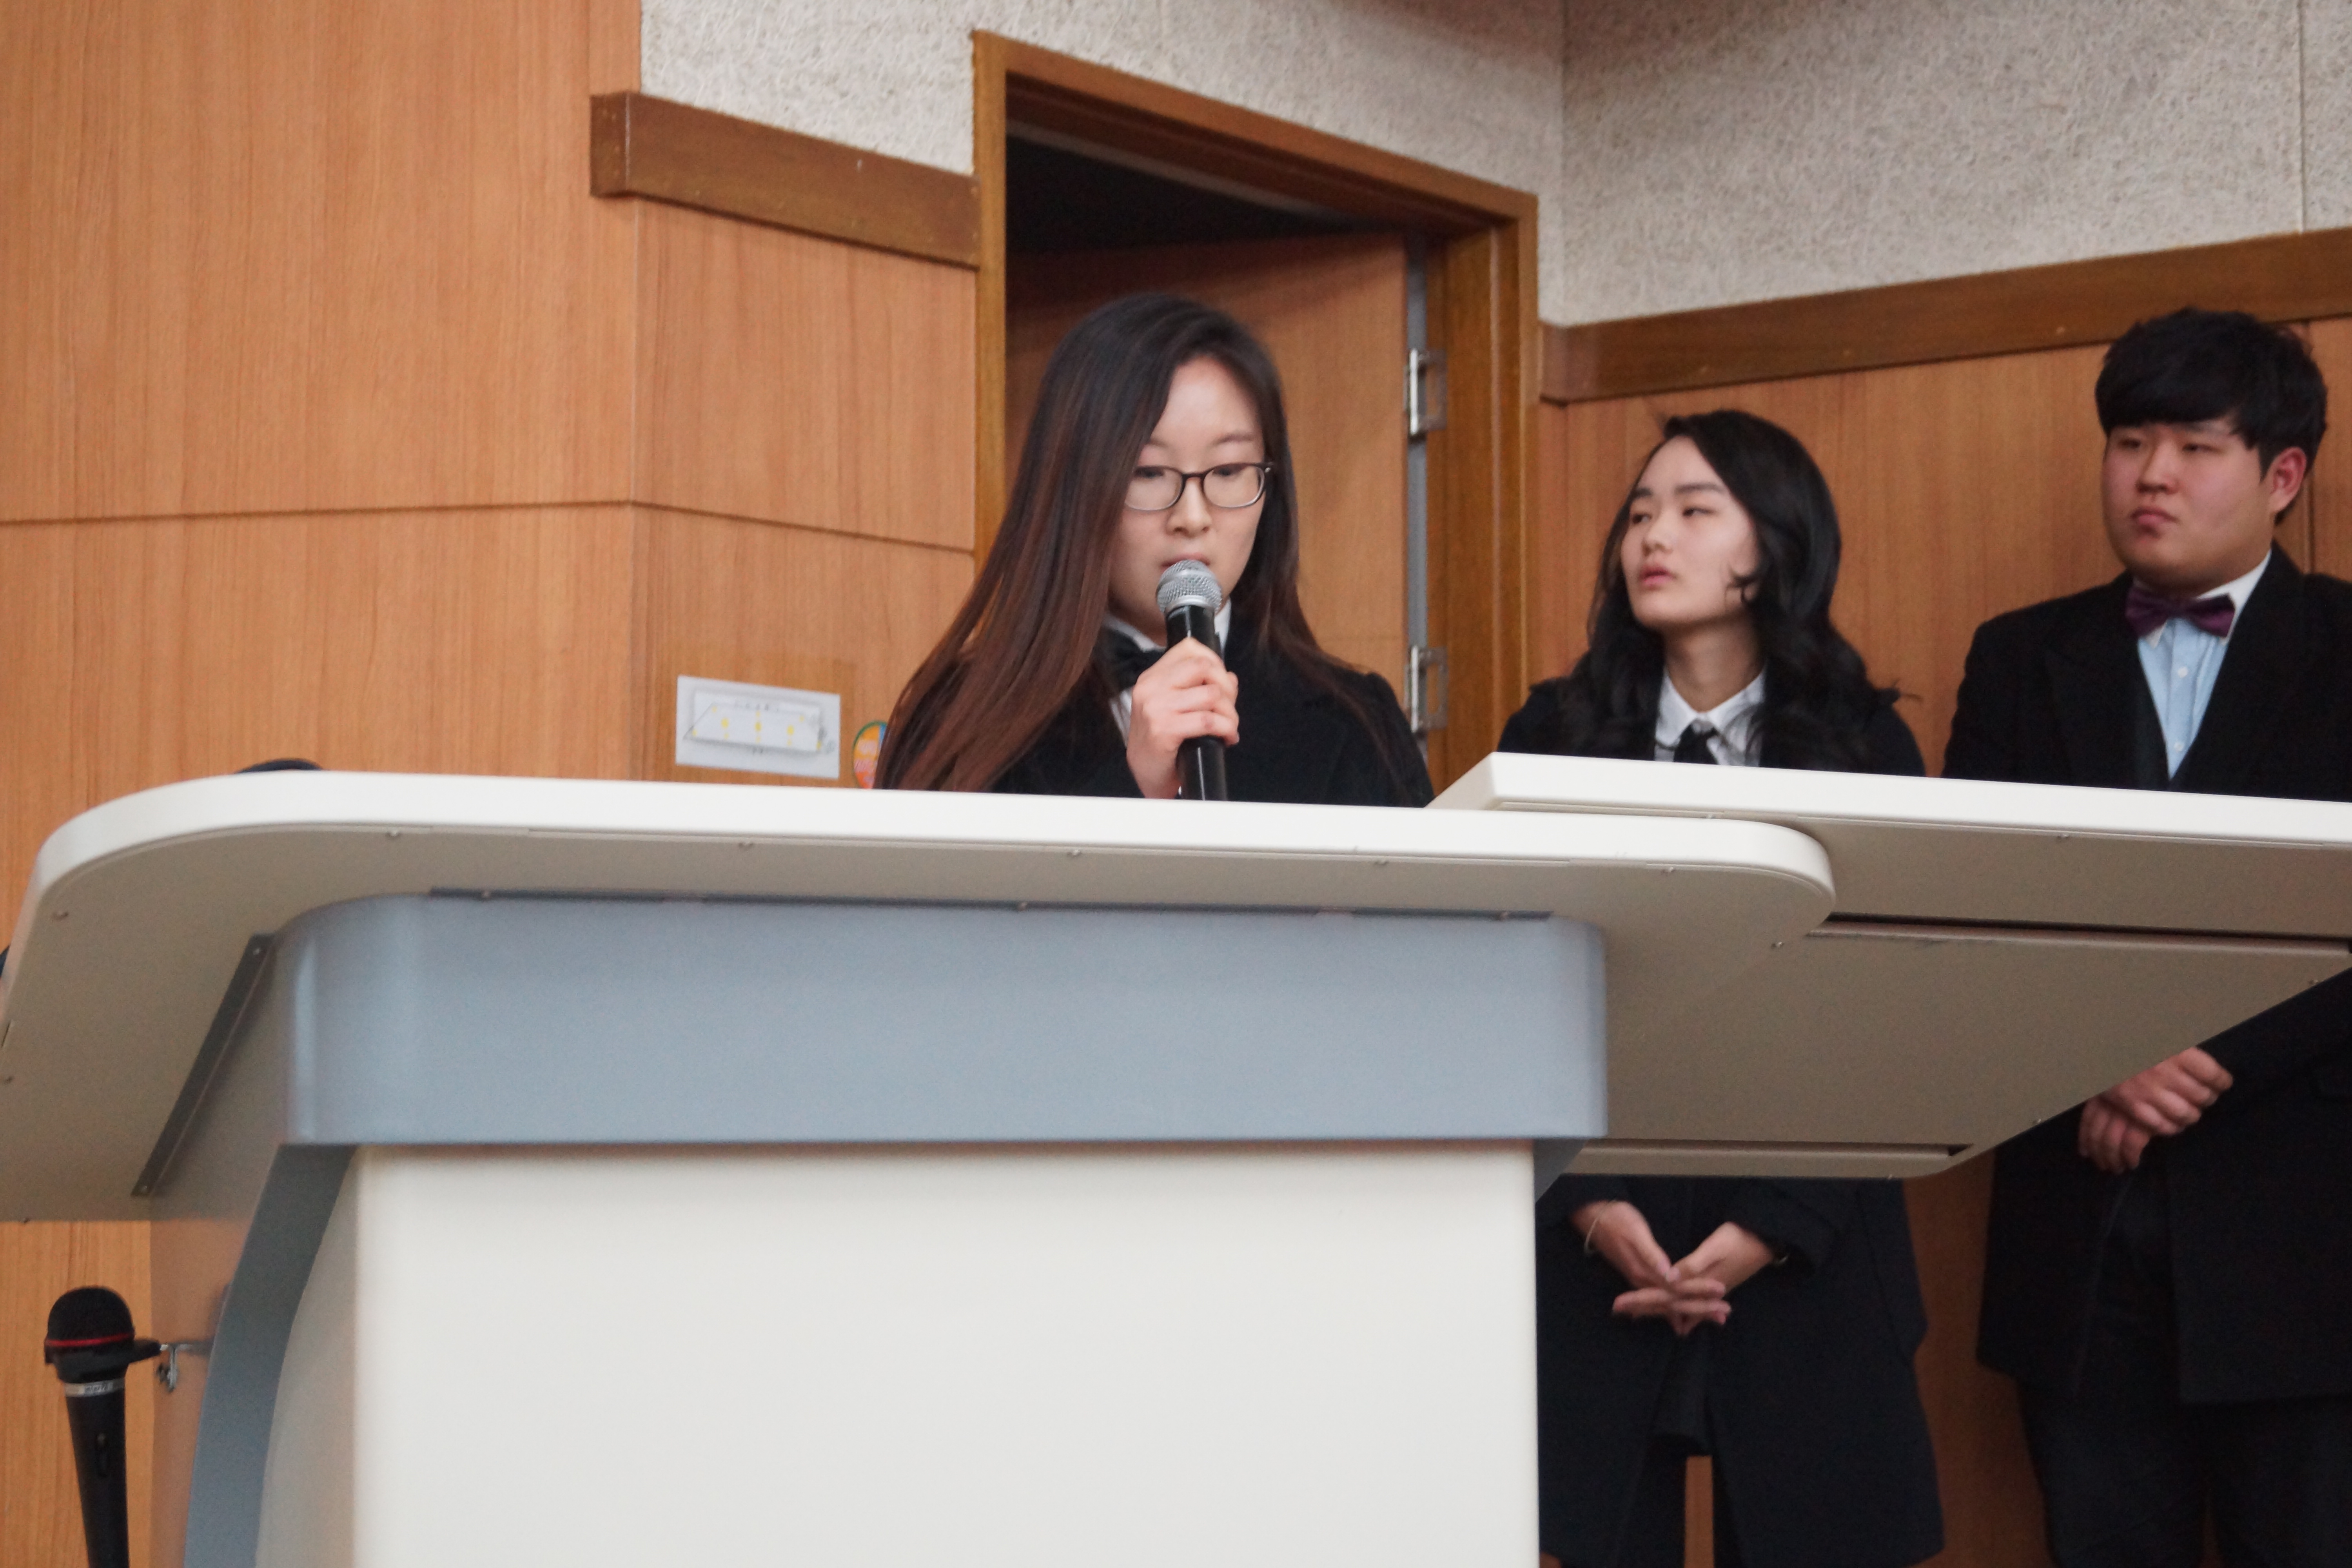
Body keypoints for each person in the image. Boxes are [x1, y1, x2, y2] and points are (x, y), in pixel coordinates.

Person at [1503, 410, 1943, 1568]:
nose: (1655, 536)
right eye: (1641, 513)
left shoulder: (1864, 744)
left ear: (1776, 543)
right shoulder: (1553, 733)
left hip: (1812, 1238)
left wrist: (1769, 1224)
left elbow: (1888, 1009)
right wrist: (1588, 1201)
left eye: (1697, 510)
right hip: (1601, 1229)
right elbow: (1512, 988)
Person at [1946, 308, 2351, 1566]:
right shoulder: (2021, 656)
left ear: (2284, 476)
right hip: (2081, 1231)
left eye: (2193, 446)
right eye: (2128, 442)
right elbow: (1966, 910)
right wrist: (2102, 1057)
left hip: (2307, 1236)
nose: (2151, 475)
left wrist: (2206, 1057)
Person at [879, 292, 1428, 808]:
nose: (1193, 517)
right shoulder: (960, 722)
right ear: (1074, 488)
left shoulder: (1359, 721)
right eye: (1148, 473)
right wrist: (1132, 784)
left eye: (1229, 471)